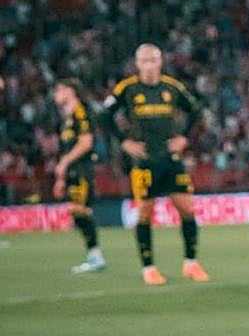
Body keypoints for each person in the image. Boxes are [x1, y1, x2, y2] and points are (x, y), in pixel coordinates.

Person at [100, 43, 209, 286]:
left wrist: (184, 137)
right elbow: (104, 116)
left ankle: (191, 263)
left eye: (153, 60)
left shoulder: (172, 87)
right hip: (145, 161)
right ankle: (148, 267)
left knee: (187, 209)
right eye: (144, 61)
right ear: (137, 64)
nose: (149, 66)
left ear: (160, 62)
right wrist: (124, 142)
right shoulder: (127, 89)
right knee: (146, 212)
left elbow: (195, 110)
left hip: (171, 160)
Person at [52, 78, 107, 274]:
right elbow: (66, 148)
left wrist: (64, 162)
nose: (55, 95)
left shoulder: (81, 112)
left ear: (71, 91)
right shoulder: (66, 118)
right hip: (72, 171)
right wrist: (61, 177)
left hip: (82, 170)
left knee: (81, 210)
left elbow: (86, 143)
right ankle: (94, 256)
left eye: (59, 90)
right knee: (77, 211)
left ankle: (95, 257)